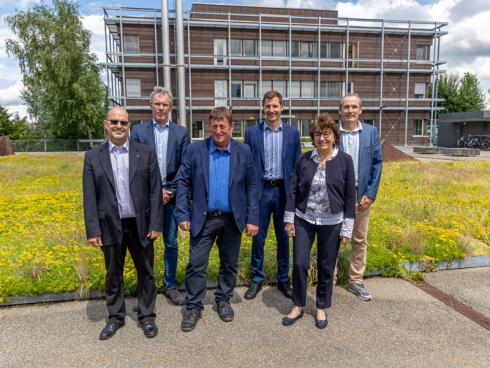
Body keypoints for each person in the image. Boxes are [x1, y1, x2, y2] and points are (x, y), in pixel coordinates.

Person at [175, 107, 259, 332]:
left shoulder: (244, 151)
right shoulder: (195, 151)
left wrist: (253, 218)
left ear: (231, 127)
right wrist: (182, 213)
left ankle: (223, 299)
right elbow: (183, 182)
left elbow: (252, 186)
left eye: (223, 126)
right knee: (196, 264)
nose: (219, 130)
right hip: (204, 218)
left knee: (229, 264)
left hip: (233, 219)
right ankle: (193, 306)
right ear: (209, 127)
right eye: (215, 126)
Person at [82, 107, 163, 340]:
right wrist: (93, 229)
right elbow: (89, 196)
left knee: (146, 273)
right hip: (110, 226)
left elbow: (155, 191)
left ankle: (147, 317)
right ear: (106, 124)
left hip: (141, 226)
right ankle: (115, 317)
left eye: (123, 123)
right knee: (113, 274)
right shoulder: (93, 157)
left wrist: (156, 223)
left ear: (130, 126)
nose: (119, 126)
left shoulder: (146, 153)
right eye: (114, 122)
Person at [282, 114, 355, 329]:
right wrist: (289, 219)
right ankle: (298, 304)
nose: (322, 138)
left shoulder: (345, 161)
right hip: (304, 219)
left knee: (326, 265)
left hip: (332, 222)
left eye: (326, 133)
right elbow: (293, 190)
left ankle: (321, 306)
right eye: (317, 134)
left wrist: (347, 228)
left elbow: (350, 196)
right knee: (299, 263)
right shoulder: (304, 160)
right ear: (313, 137)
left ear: (334, 136)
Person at [130, 87, 190, 305]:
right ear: (151, 106)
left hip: (171, 198)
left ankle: (170, 285)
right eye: (157, 104)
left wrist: (169, 191)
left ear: (170, 107)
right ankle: (147, 287)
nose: (161, 108)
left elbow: (185, 166)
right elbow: (134, 166)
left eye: (165, 104)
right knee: (145, 243)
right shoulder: (139, 131)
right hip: (146, 197)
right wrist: (155, 191)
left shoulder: (181, 133)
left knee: (171, 243)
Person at [243, 90, 301, 300]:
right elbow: (246, 165)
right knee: (258, 237)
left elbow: (298, 166)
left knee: (284, 238)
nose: (271, 110)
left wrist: (296, 196)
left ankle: (283, 279)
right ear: (263, 108)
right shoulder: (252, 133)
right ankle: (256, 279)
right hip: (261, 191)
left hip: (284, 192)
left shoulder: (293, 134)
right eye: (268, 106)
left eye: (275, 106)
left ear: (282, 108)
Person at [336, 93, 383, 301]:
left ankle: (356, 280)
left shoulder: (371, 132)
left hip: (361, 195)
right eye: (346, 107)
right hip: (336, 195)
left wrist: (370, 194)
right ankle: (330, 278)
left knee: (359, 239)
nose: (350, 111)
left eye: (354, 107)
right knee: (332, 239)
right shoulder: (333, 132)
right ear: (340, 110)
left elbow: (377, 163)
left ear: (360, 110)